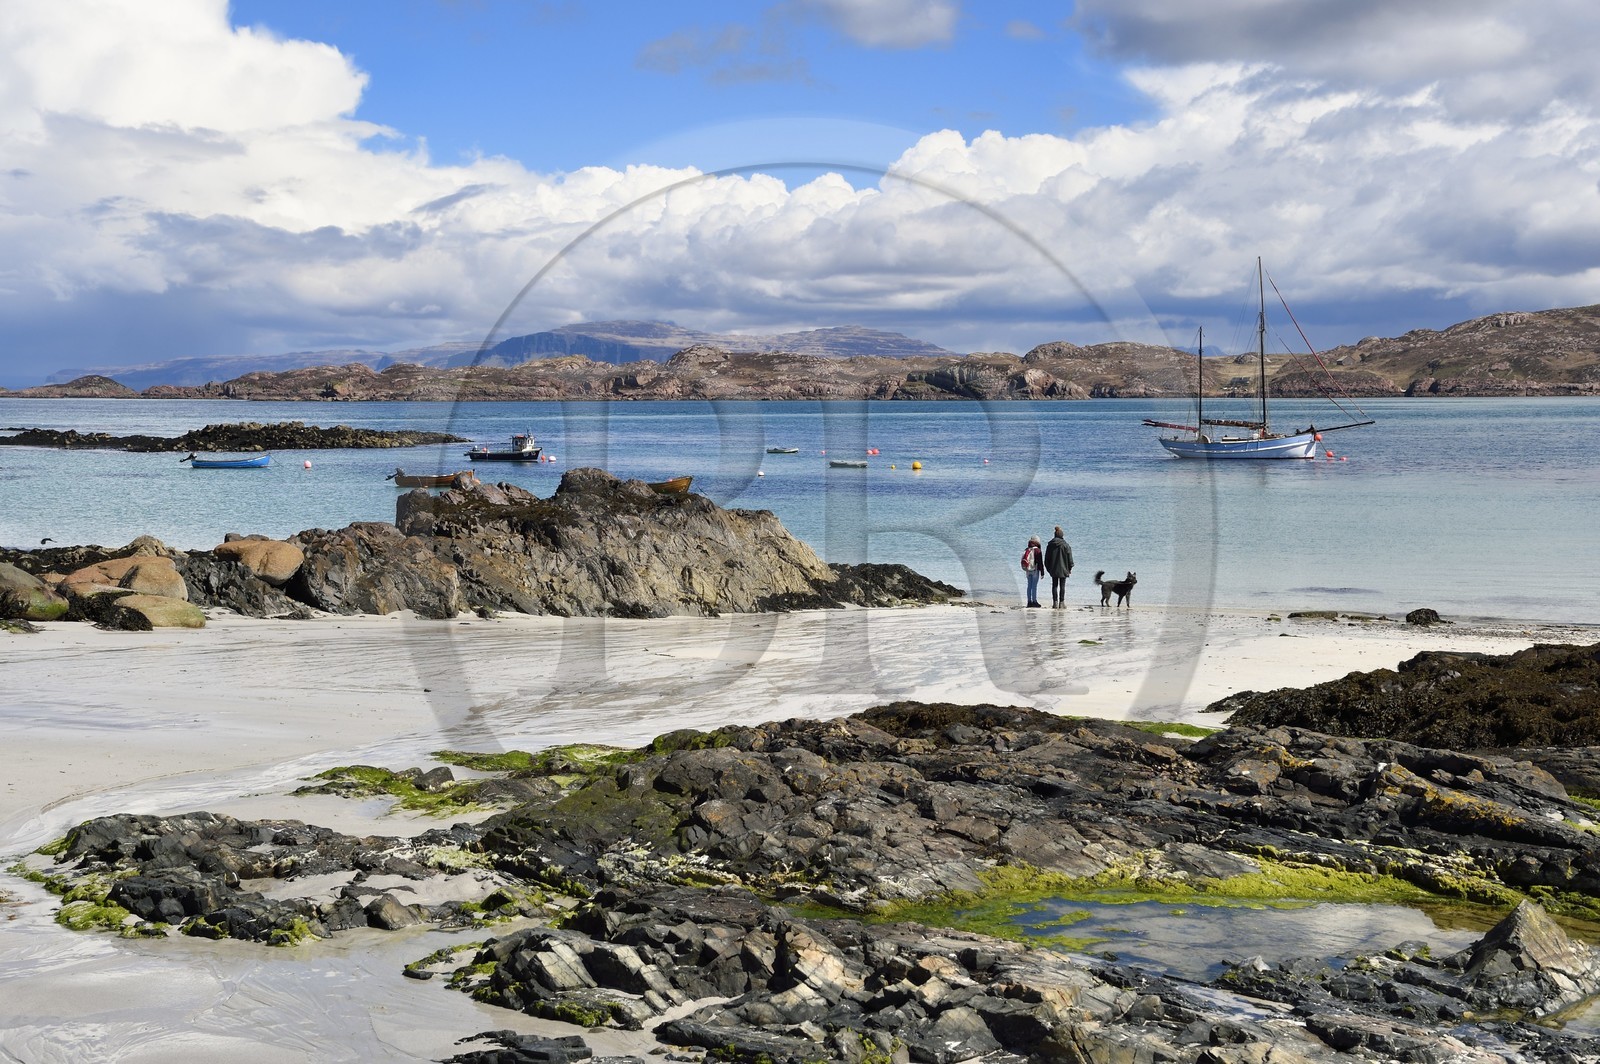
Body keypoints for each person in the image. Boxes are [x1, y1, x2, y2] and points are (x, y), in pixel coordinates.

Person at [1044, 525, 1074, 608]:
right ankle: (1061, 603)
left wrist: (1049, 569)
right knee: (1062, 586)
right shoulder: (1066, 545)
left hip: (1053, 569)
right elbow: (1070, 560)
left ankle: (1055, 603)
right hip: (1064, 569)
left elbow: (1046, 559)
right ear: (1062, 536)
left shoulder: (1050, 545)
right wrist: (1070, 568)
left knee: (1054, 585)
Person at [1021, 534, 1044, 607]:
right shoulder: (1037, 550)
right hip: (1035, 570)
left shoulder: (1026, 549)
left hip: (1028, 570)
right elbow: (1040, 562)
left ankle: (1029, 602)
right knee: (1034, 586)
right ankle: (1034, 601)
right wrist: (1042, 572)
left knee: (1029, 586)